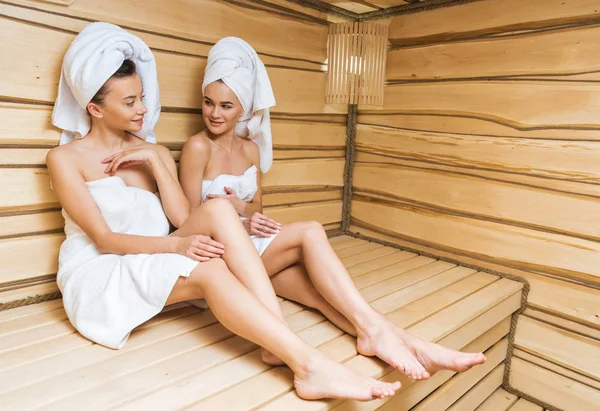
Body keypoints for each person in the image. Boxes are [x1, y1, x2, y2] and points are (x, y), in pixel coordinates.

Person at [47, 22, 401, 402]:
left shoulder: (154, 152)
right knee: (212, 267)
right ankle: (305, 362)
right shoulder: (65, 159)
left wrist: (154, 159)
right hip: (101, 272)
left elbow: (184, 219)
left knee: (217, 209)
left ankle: (280, 340)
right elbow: (105, 239)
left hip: (150, 254)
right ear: (95, 108)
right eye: (130, 102)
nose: (144, 109)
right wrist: (179, 248)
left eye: (142, 97)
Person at [179, 37, 487, 379]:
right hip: (221, 255)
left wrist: (243, 210)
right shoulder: (197, 147)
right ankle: (381, 335)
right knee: (310, 230)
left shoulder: (251, 150)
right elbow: (189, 220)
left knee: (319, 295)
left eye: (226, 106)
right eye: (209, 103)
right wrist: (233, 217)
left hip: (252, 247)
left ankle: (409, 342)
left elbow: (257, 209)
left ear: (243, 108)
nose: (214, 114)